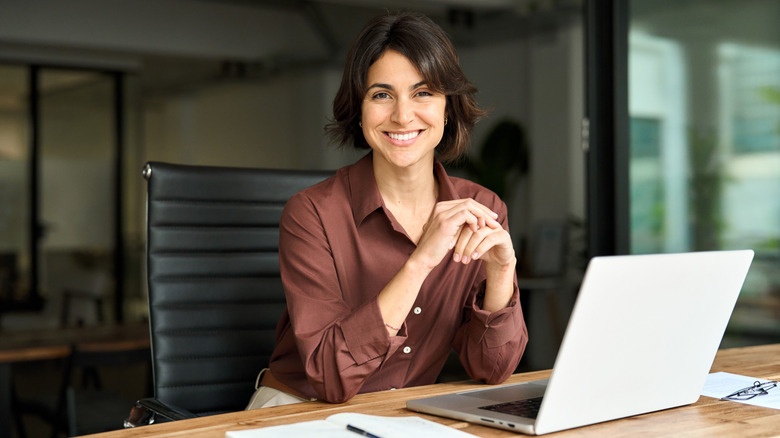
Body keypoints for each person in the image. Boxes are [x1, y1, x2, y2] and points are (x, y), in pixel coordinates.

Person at [246, 10, 528, 410]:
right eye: (381, 95)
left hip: (401, 415)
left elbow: (492, 369)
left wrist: (501, 274)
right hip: (297, 409)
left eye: (423, 92)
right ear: (359, 111)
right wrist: (419, 263)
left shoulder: (483, 209)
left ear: (448, 107)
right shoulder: (311, 214)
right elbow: (329, 377)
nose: (402, 115)